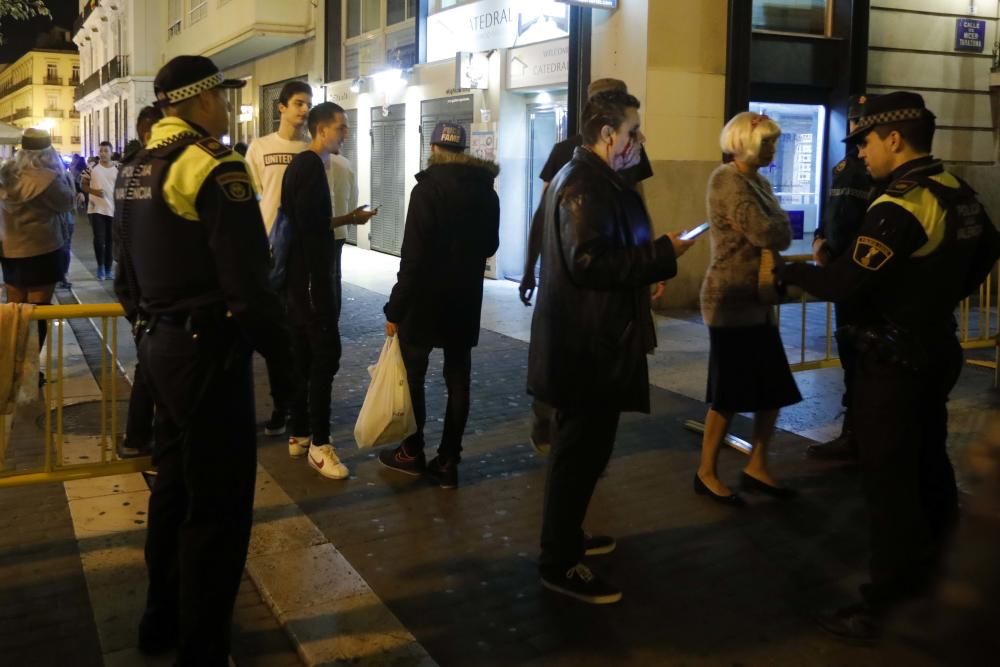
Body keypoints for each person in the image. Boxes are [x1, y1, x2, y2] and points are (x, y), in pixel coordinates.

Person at [776, 91, 1000, 642]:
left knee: (889, 486)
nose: (862, 154)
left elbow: (845, 282)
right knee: (929, 467)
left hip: (893, 362)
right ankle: (938, 571)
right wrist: (939, 296)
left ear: (894, 139)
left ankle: (887, 602)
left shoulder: (899, 203)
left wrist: (789, 273)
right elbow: (990, 249)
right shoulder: (955, 189)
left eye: (866, 142)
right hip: (934, 348)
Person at [113, 55, 294, 663]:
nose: (226, 104)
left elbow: (124, 277)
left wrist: (149, 329)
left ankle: (159, 619)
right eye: (221, 94)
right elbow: (249, 286)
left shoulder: (136, 165)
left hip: (159, 347)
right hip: (208, 353)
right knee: (218, 505)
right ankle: (203, 646)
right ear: (199, 101)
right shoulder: (215, 166)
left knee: (173, 488)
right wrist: (287, 364)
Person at [527, 90, 693, 603]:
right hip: (585, 349)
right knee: (577, 455)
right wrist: (662, 255)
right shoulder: (583, 184)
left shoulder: (592, 179)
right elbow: (590, 263)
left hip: (591, 344)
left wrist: (651, 257)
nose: (639, 143)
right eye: (633, 133)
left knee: (584, 453)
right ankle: (558, 560)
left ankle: (567, 537)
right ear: (607, 135)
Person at [519, 78, 655, 455]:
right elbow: (546, 212)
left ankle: (569, 435)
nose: (638, 138)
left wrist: (652, 262)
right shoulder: (572, 158)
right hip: (580, 286)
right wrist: (531, 265)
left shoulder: (628, 152)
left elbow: (638, 208)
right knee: (574, 371)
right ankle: (553, 428)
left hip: (611, 281)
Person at [378, 121, 500, 489]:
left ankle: (411, 452)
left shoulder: (427, 190)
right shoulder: (487, 192)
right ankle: (448, 462)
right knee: (458, 377)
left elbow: (412, 257)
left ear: (433, 149)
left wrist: (394, 309)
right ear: (463, 151)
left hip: (425, 301)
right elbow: (491, 247)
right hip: (465, 299)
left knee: (413, 373)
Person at [694, 111, 802, 507]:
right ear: (746, 142)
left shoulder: (759, 181)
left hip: (758, 300)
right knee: (729, 392)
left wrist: (778, 226)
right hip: (729, 300)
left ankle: (757, 464)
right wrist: (779, 225)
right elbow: (766, 230)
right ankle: (706, 471)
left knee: (771, 387)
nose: (774, 148)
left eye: (774, 141)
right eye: (768, 142)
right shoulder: (726, 180)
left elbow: (782, 232)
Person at [281, 102, 372, 480]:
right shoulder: (311, 168)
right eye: (341, 127)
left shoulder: (302, 166)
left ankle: (300, 433)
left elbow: (309, 223)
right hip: (311, 284)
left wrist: (349, 218)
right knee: (324, 359)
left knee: (304, 358)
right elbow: (311, 230)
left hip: (301, 283)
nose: (345, 133)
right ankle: (320, 444)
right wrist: (320, 291)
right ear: (320, 130)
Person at [806, 94, 877, 461]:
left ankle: (860, 435)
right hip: (845, 274)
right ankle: (854, 431)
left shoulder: (874, 173)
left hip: (860, 278)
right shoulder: (843, 167)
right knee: (852, 354)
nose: (858, 143)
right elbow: (833, 212)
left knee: (863, 357)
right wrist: (820, 239)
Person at [244, 80, 312, 438]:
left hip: (302, 256)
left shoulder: (312, 150)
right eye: (298, 103)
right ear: (281, 107)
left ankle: (299, 404)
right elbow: (251, 201)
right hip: (268, 254)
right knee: (273, 335)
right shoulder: (260, 147)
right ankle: (282, 403)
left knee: (298, 333)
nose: (303, 110)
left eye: (308, 104)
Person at [0, 129, 74, 363]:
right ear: (47, 151)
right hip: (44, 250)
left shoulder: (6, 174)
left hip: (10, 251)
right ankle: (29, 368)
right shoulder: (49, 179)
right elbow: (67, 203)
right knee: (38, 311)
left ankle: (11, 365)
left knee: (14, 312)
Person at [116, 105, 163, 460]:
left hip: (133, 284)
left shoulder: (128, 170)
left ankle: (138, 435)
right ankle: (137, 436)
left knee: (148, 365)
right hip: (147, 287)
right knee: (150, 366)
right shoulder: (150, 169)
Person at [82, 141, 118, 280]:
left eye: (105, 151)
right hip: (96, 208)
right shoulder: (92, 168)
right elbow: (82, 184)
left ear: (111, 153)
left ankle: (108, 268)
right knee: (99, 239)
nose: (102, 153)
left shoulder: (118, 168)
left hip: (112, 209)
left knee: (110, 241)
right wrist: (94, 191)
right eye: (100, 151)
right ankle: (100, 267)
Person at [61, 153, 89, 289]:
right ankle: (61, 276)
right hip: (60, 219)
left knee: (65, 247)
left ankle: (63, 276)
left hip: (66, 218)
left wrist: (80, 194)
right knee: (63, 248)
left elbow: (78, 189)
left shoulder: (67, 176)